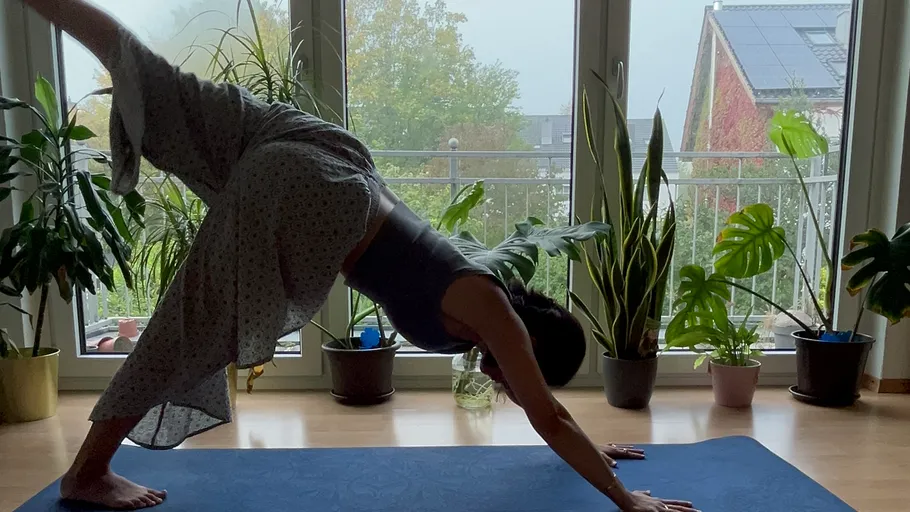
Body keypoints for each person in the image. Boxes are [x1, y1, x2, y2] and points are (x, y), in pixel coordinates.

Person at [22, 2, 696, 511]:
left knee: (160, 84)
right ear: (535, 350)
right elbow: (550, 415)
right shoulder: (496, 315)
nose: (513, 389)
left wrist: (589, 450)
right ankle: (87, 474)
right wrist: (623, 498)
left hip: (333, 159)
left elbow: (543, 410)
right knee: (190, 325)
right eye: (526, 379)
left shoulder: (491, 303)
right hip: (318, 196)